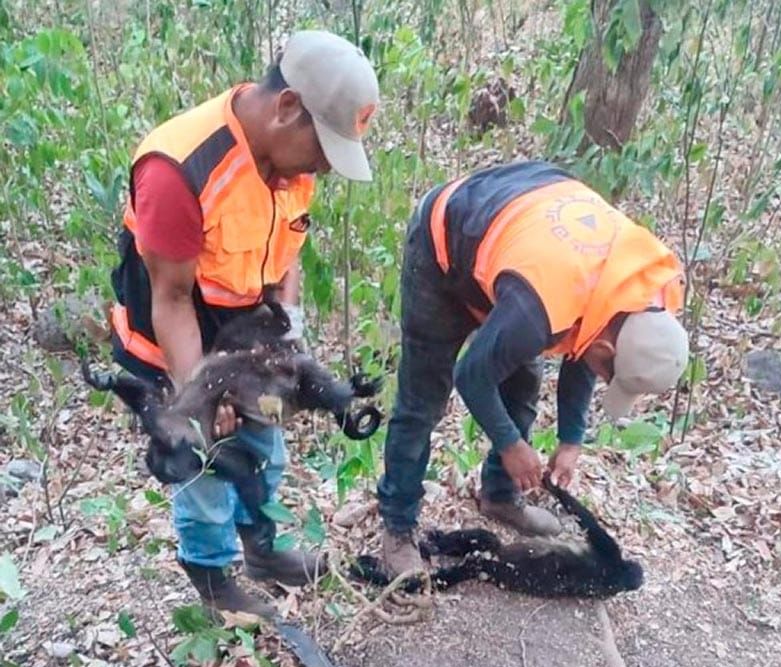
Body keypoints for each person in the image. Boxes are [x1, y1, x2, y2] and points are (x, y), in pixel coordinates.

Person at [109, 30, 379, 613]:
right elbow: (172, 300)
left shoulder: (292, 165)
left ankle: (263, 549)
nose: (325, 169)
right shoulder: (178, 168)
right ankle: (211, 579)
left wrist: (292, 344)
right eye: (324, 150)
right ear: (287, 109)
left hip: (247, 339)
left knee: (267, 449)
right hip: (173, 347)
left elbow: (287, 257)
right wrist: (202, 398)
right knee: (206, 467)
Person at [378, 160, 689, 576]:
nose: (602, 378)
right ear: (606, 346)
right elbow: (471, 375)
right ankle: (397, 527)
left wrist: (571, 438)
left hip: (521, 258)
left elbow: (587, 339)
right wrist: (511, 445)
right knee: (422, 402)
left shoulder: (645, 291)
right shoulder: (540, 305)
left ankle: (501, 496)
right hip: (446, 245)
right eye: (608, 373)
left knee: (522, 383)